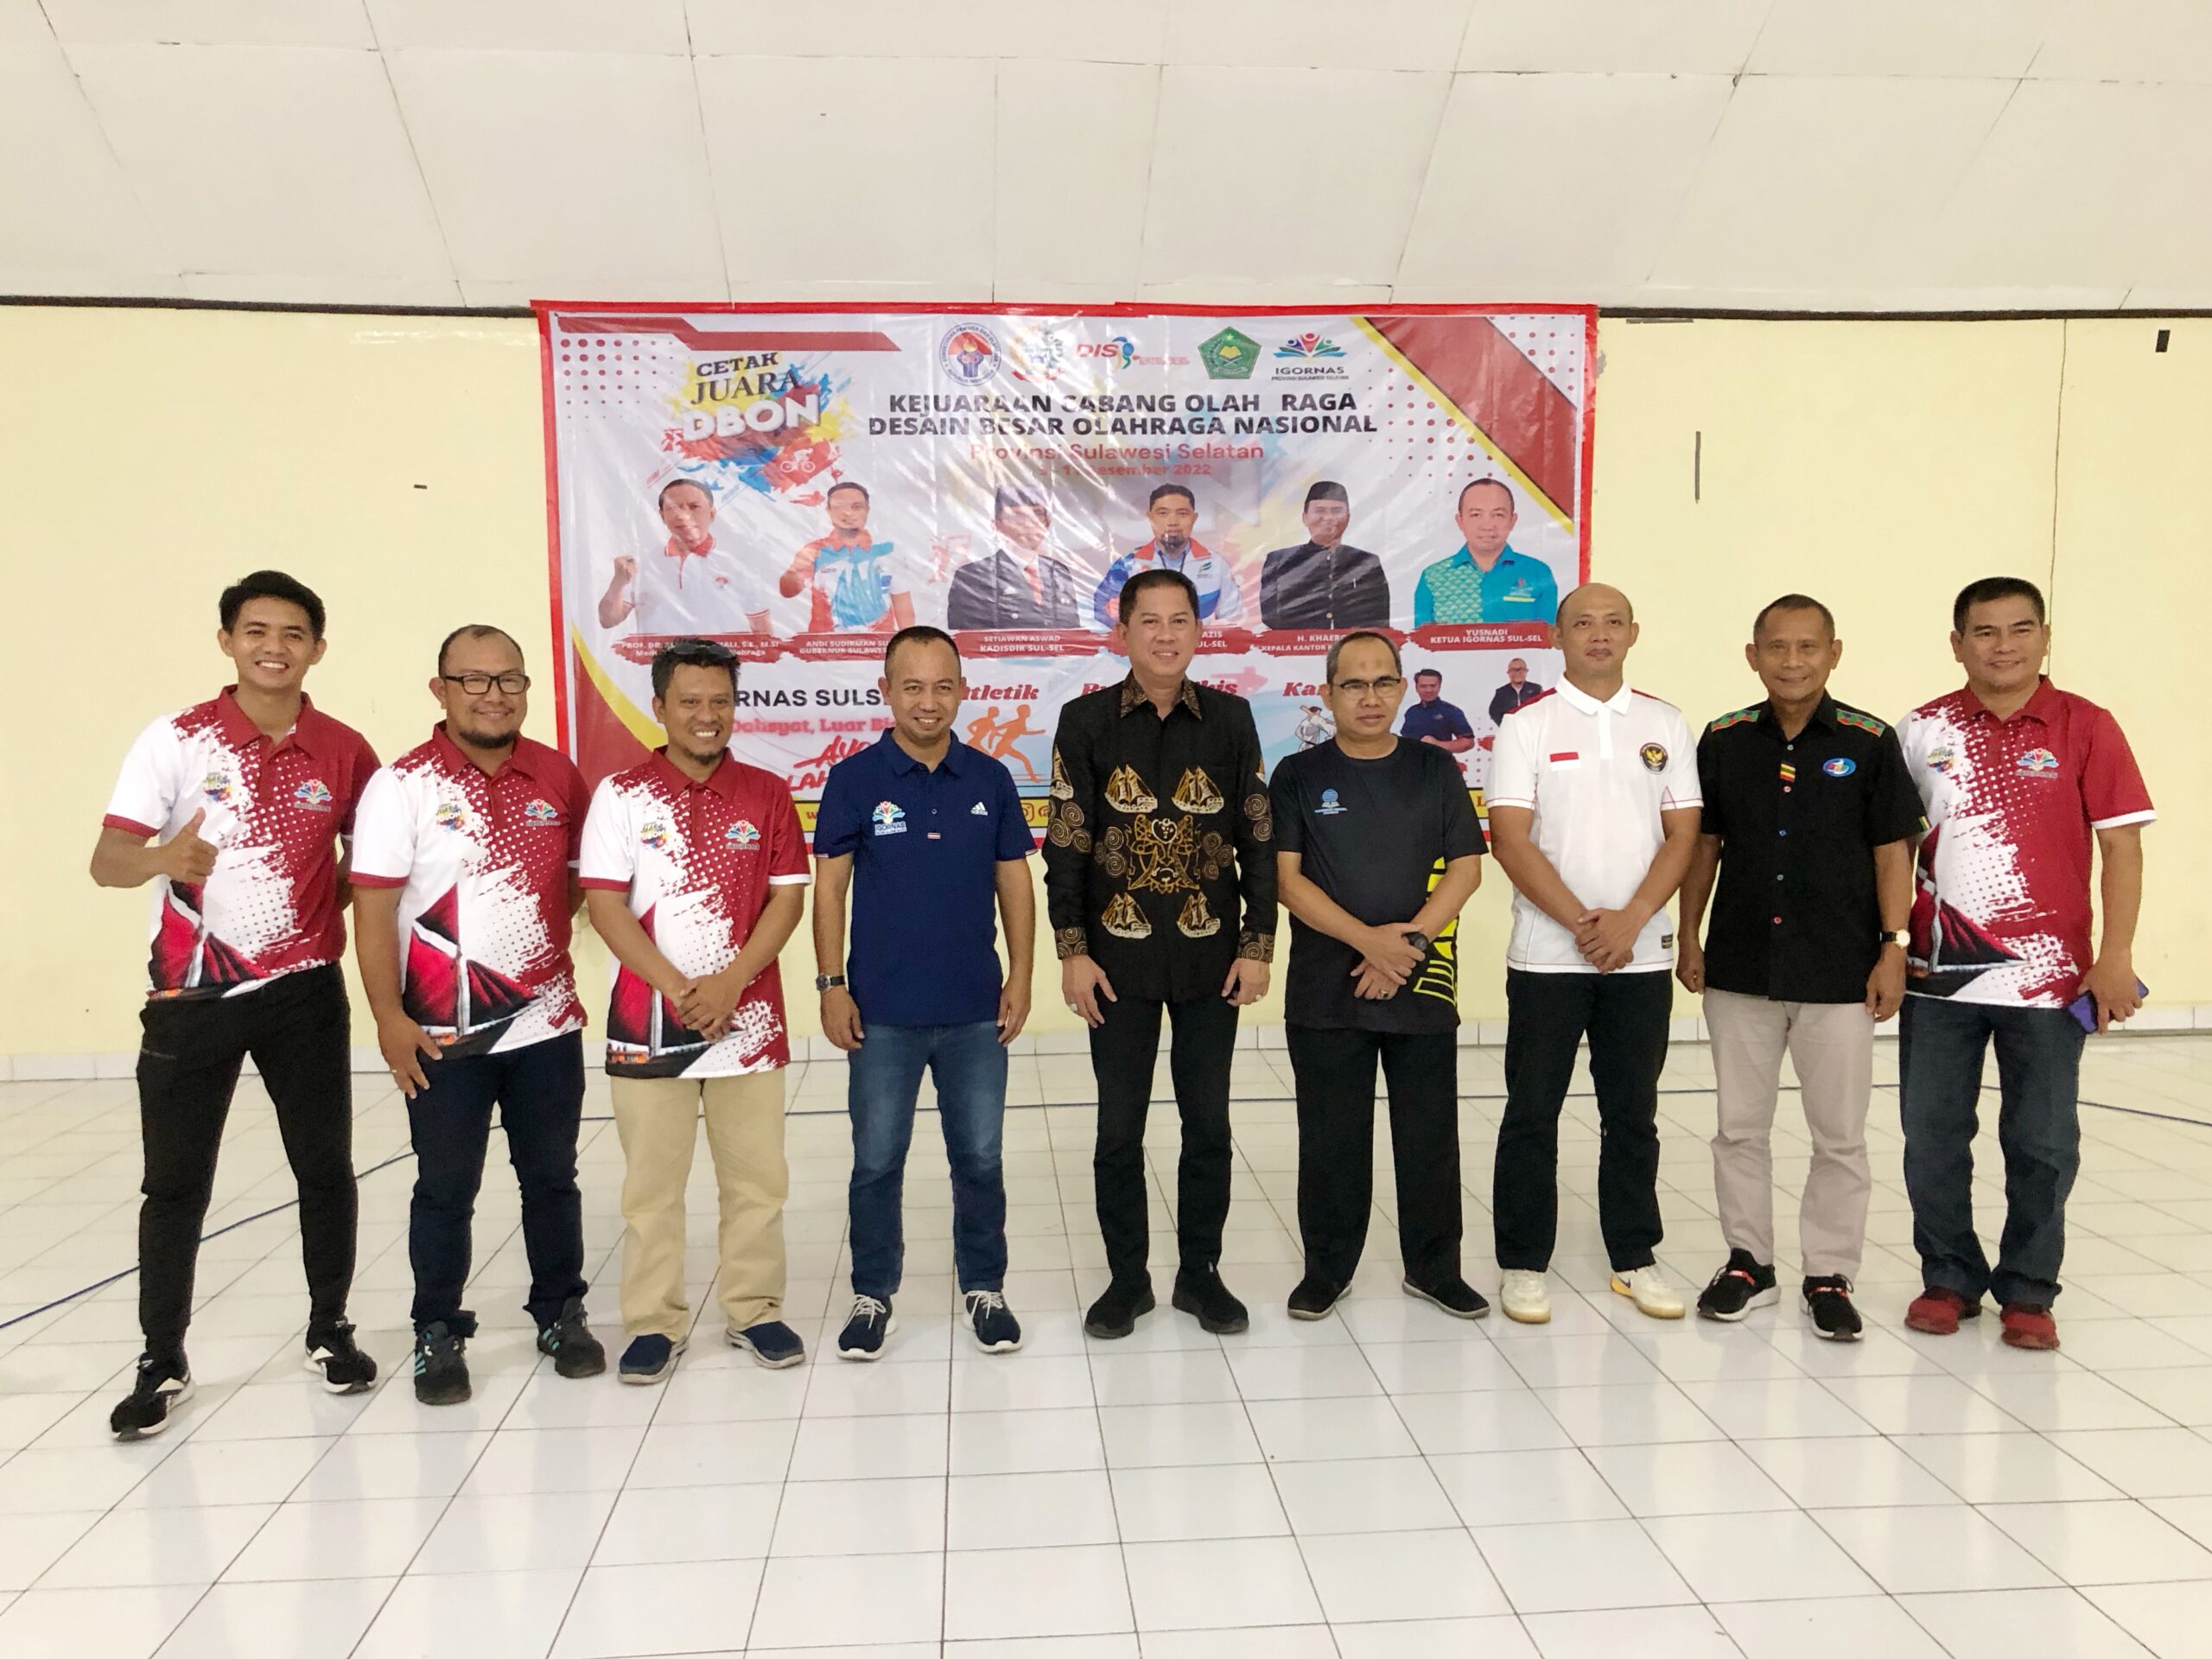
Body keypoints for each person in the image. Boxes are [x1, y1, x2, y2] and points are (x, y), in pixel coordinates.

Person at [92, 570, 381, 1438]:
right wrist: (163, 860)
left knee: (324, 1169)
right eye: (256, 631)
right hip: (191, 998)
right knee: (175, 1185)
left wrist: (314, 908)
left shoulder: (344, 749)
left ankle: (330, 1329)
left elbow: (372, 867)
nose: (273, 648)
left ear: (317, 649)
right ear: (227, 641)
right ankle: (162, 1357)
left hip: (305, 994)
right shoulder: (175, 740)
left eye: (292, 634)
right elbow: (108, 861)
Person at [350, 625, 607, 1404]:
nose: (493, 695)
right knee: (445, 1186)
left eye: (509, 680)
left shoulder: (557, 775)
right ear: (441, 690)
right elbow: (372, 912)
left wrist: (530, 956)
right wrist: (389, 1018)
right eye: (474, 680)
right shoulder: (402, 785)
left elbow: (576, 885)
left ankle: (560, 1312)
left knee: (552, 1179)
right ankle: (436, 1328)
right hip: (438, 1033)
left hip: (546, 1025)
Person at [1895, 576, 2152, 1352]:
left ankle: (2030, 1289)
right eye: (1984, 631)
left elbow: (2122, 848)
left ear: (2044, 637)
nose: (2002, 646)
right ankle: (1948, 1278)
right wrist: (1889, 944)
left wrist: (2115, 957)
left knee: (2042, 1144)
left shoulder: (2087, 726)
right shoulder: (1922, 729)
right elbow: (1891, 851)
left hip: (2051, 980)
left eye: (2019, 629)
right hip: (1938, 977)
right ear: (1957, 644)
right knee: (1932, 1138)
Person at [1674, 595, 1925, 1343]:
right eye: (1777, 647)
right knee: (1738, 1128)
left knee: (1839, 1136)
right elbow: (1704, 847)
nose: (1792, 661)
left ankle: (1829, 1274)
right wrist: (1688, 935)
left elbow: (1893, 852)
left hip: (1841, 970)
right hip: (1740, 966)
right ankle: (1748, 1263)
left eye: (1808, 646)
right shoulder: (1723, 740)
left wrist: (1894, 947)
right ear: (1753, 657)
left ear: (1833, 653)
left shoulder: (1870, 742)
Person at [1046, 569, 1275, 1339]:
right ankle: (1127, 1281)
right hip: (1117, 962)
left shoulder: (1232, 720)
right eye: (1150, 621)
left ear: (1200, 633)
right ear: (1123, 633)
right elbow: (1067, 846)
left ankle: (1200, 1275)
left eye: (1181, 620)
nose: (1166, 635)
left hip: (1213, 959)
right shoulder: (1084, 722)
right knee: (1119, 1130)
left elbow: (1259, 839)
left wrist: (1257, 945)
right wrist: (1073, 952)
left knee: (1207, 1125)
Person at [579, 638, 811, 1381]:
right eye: (690, 702)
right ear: (659, 707)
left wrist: (732, 982)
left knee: (757, 1183)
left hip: (750, 1024)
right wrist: (683, 991)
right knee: (651, 1190)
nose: (706, 715)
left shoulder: (767, 793)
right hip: (647, 1026)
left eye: (720, 701)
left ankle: (755, 1310)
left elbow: (787, 900)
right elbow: (605, 906)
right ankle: (654, 1322)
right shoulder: (621, 796)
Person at [812, 626, 1037, 1359]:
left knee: (980, 1159)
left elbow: (1014, 881)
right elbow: (829, 889)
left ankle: (985, 1288)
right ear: (885, 691)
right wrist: (831, 985)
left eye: (943, 686)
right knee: (877, 1160)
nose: (928, 701)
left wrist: (1022, 975)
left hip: (975, 1011)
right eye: (912, 686)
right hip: (881, 1014)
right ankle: (872, 1293)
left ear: (963, 692)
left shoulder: (990, 779)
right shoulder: (853, 780)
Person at [1484, 583, 1701, 1324]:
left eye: (1613, 622)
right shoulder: (1526, 725)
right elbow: (1509, 839)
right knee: (1531, 1113)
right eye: (1583, 623)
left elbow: (1683, 835)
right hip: (1547, 957)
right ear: (1558, 636)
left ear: (1634, 633)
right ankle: (1522, 1264)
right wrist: (1584, 924)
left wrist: (1632, 921)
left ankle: (1634, 1258)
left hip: (1639, 959)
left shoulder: (1665, 722)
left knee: (1632, 1114)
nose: (1599, 634)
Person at [1271, 631, 1487, 1321]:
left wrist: (1409, 947)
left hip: (1421, 982)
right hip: (1325, 989)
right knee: (1331, 1139)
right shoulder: (1297, 776)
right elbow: (1287, 881)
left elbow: (1466, 869)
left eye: (1384, 682)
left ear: (1402, 689)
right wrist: (1370, 943)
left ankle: (1435, 1269)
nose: (1370, 697)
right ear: (1328, 694)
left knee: (1429, 1136)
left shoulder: (1435, 769)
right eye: (1354, 684)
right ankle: (1327, 1271)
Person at [598, 474, 772, 638]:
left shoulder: (736, 563)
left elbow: (762, 629)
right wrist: (618, 581)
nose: (684, 516)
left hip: (722, 660)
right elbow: (608, 620)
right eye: (673, 508)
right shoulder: (643, 563)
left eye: (694, 507)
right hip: (661, 660)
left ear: (712, 513)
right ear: (662, 515)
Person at [1093, 484, 1248, 628]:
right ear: (1150, 517)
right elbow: (1102, 610)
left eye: (1182, 514)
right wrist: (1111, 613)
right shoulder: (1129, 564)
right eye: (1163, 513)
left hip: (1200, 647)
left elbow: (1233, 619)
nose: (1173, 522)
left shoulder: (1216, 564)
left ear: (1194, 518)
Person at [1412, 479, 1559, 627]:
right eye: (1476, 515)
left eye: (1498, 515)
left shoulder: (1538, 572)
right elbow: (1422, 639)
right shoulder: (1433, 577)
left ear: (1512, 520)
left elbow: (1548, 636)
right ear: (1460, 521)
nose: (1487, 526)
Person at [777, 480, 916, 633]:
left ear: (867, 510)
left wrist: (909, 642)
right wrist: (797, 570)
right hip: (824, 644)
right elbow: (787, 592)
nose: (848, 513)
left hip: (878, 643)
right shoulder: (814, 551)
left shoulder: (888, 551)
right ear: (828, 511)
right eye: (839, 507)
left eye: (856, 507)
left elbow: (902, 604)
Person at [944, 485, 1084, 629]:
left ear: (1047, 524)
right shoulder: (973, 577)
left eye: (1037, 514)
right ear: (996, 525)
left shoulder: (1059, 572)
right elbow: (967, 638)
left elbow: (1072, 632)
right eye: (1017, 516)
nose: (1029, 524)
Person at [1256, 481, 1389, 629]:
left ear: (1348, 517)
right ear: (1305, 517)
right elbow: (1270, 616)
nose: (1328, 517)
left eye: (1337, 511)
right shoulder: (1279, 560)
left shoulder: (1366, 562)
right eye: (1320, 511)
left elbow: (1379, 617)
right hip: (1297, 643)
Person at [1401, 669, 1476, 754]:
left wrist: (1437, 744)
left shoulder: (1451, 711)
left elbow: (1468, 743)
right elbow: (1405, 741)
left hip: (1440, 761)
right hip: (1413, 762)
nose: (1428, 690)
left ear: (1439, 686)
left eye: (1433, 686)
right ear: (1416, 688)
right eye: (1423, 686)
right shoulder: (1411, 712)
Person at [1488, 658, 1545, 725]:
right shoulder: (1501, 692)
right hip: (1510, 729)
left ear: (1526, 671)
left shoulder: (1536, 689)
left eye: (1521, 669)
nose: (1517, 673)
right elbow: (1494, 712)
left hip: (1532, 728)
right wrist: (1505, 725)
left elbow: (1544, 709)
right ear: (1508, 673)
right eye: (1514, 670)